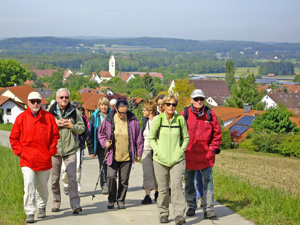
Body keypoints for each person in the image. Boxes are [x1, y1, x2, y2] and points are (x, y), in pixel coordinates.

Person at [9, 92, 60, 223]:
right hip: (27, 160)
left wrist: (51, 150)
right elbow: (13, 138)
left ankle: (42, 206)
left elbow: (55, 135)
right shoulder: (21, 118)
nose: (36, 104)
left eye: (38, 101)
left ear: (41, 102)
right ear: (28, 103)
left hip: (44, 159)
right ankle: (30, 211)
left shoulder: (48, 117)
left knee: (42, 186)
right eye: (33, 101)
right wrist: (21, 152)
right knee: (29, 185)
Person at [180, 89, 222, 219]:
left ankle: (208, 209)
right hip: (189, 154)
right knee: (188, 182)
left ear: (204, 100)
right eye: (196, 99)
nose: (199, 101)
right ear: (191, 100)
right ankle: (191, 206)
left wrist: (211, 149)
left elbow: (217, 134)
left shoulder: (210, 114)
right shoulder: (185, 113)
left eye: (201, 99)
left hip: (206, 156)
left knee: (208, 182)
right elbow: (178, 133)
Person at [148, 95, 189, 225]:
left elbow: (186, 138)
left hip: (177, 160)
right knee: (163, 188)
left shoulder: (180, 119)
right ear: (164, 106)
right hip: (160, 160)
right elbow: (151, 138)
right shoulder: (158, 120)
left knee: (177, 187)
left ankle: (179, 215)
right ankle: (163, 213)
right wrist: (158, 151)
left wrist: (181, 150)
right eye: (168, 104)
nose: (171, 106)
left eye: (174, 104)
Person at [98, 100, 143, 209]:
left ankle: (121, 200)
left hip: (127, 155)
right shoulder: (109, 120)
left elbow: (138, 138)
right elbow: (101, 133)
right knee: (111, 177)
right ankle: (111, 199)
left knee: (124, 180)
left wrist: (138, 153)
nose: (123, 115)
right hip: (112, 155)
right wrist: (105, 143)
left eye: (125, 112)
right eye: (120, 112)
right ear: (115, 109)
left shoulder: (133, 120)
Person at [48, 88, 85, 214]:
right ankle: (56, 202)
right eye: (62, 97)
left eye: (66, 97)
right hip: (55, 149)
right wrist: (55, 124)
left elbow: (82, 128)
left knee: (72, 178)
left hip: (70, 149)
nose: (64, 99)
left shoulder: (74, 111)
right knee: (54, 179)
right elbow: (44, 128)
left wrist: (71, 126)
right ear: (57, 98)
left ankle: (75, 204)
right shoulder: (50, 111)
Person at [61, 102, 93, 194]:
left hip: (78, 147)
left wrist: (91, 150)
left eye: (79, 110)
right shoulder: (66, 119)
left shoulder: (82, 120)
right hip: (66, 147)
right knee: (64, 169)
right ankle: (66, 184)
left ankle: (77, 188)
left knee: (77, 168)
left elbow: (87, 135)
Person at [89, 97, 111, 194]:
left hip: (111, 144)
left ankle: (111, 183)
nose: (103, 107)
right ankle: (104, 184)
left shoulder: (112, 115)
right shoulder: (95, 116)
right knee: (103, 165)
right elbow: (91, 133)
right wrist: (91, 150)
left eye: (105, 104)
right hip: (99, 145)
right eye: (102, 105)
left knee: (110, 165)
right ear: (99, 106)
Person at [141, 100, 158, 204]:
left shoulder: (159, 120)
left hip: (157, 151)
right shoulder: (145, 121)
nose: (143, 111)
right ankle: (147, 195)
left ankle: (157, 193)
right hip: (146, 151)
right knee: (147, 173)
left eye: (144, 110)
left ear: (150, 111)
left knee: (157, 173)